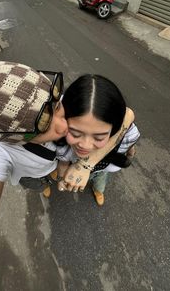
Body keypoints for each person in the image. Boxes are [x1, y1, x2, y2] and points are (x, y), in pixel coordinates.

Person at [0, 61, 135, 290]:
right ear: (13, 137)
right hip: (32, 175)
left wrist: (85, 164)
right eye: (44, 125)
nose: (64, 126)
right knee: (38, 185)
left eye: (56, 108)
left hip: (60, 166)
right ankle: (46, 187)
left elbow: (125, 114)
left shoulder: (41, 100)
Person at [56, 74, 140, 206]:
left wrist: (84, 165)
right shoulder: (60, 143)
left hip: (101, 171)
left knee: (100, 181)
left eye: (99, 137)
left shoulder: (126, 136)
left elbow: (128, 116)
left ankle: (98, 190)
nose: (85, 145)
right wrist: (62, 179)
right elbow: (62, 163)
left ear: (114, 131)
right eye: (75, 133)